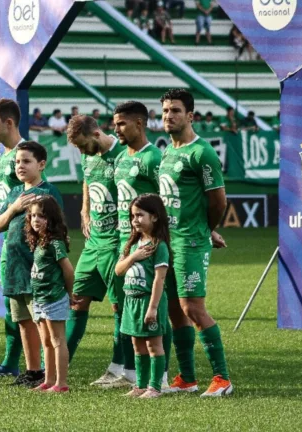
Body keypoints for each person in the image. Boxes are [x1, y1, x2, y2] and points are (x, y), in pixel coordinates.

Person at [158, 89, 232, 397]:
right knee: (175, 310)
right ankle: (187, 378)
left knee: (193, 308)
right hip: (168, 242)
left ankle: (223, 379)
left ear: (190, 116)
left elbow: (218, 201)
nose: (168, 116)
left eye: (175, 110)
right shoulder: (167, 152)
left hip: (190, 241)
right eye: (164, 111)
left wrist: (206, 229)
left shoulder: (202, 153)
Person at [66, 114, 132, 387]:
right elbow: (87, 179)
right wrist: (84, 209)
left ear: (96, 134)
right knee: (77, 298)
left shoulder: (122, 156)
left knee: (119, 305)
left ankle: (121, 368)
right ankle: (57, 365)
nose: (81, 152)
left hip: (116, 241)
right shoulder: (87, 155)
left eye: (82, 145)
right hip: (93, 242)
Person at [0, 141, 63, 388]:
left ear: (41, 164)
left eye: (26, 161)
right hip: (14, 267)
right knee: (23, 320)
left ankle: (49, 372)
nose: (20, 166)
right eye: (17, 162)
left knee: (41, 321)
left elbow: (57, 229)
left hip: (37, 269)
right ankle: (33, 370)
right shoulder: (15, 192)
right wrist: (13, 208)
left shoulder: (49, 193)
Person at [112, 101, 169, 387]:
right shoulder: (121, 158)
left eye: (122, 123)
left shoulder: (154, 158)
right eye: (115, 123)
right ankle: (133, 376)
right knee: (125, 308)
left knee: (157, 308)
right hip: (127, 242)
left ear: (140, 123)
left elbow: (166, 200)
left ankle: (163, 376)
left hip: (151, 243)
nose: (116, 129)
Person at [0, 98, 37, 377]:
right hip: (10, 235)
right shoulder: (5, 155)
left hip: (24, 239)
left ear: (9, 123)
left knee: (26, 303)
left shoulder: (24, 153)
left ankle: (27, 363)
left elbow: (35, 194)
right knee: (11, 302)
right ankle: (12, 361)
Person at [115, 194, 171, 398]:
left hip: (149, 301)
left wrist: (153, 308)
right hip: (131, 301)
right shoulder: (132, 244)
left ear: (154, 217)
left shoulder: (159, 246)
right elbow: (118, 271)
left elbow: (159, 280)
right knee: (137, 345)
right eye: (132, 216)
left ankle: (154, 387)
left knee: (153, 345)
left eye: (140, 215)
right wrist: (133, 257)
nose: (135, 220)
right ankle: (140, 385)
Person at [25, 195, 74, 393]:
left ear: (51, 219)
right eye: (33, 216)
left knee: (57, 341)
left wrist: (70, 294)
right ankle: (48, 380)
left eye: (41, 216)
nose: (36, 220)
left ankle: (61, 384)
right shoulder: (39, 242)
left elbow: (68, 270)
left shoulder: (54, 243)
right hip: (40, 299)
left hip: (54, 299)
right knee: (45, 341)